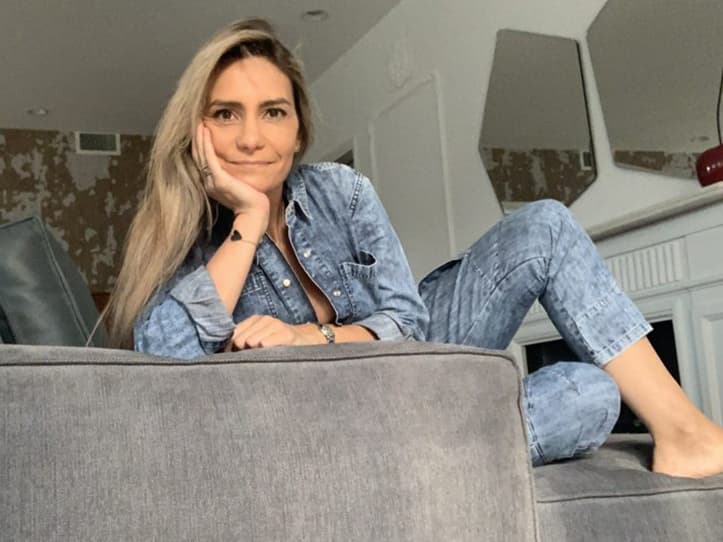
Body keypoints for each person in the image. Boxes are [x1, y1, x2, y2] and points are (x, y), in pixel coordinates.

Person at [107, 18, 723, 478]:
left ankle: (685, 433)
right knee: (587, 401)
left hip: (414, 371)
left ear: (298, 131)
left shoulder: (341, 191)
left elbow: (406, 320)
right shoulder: (184, 233)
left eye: (273, 112)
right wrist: (247, 218)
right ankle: (406, 460)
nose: (250, 137)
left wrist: (309, 337)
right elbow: (166, 370)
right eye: (225, 114)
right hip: (334, 428)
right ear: (197, 131)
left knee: (550, 241)